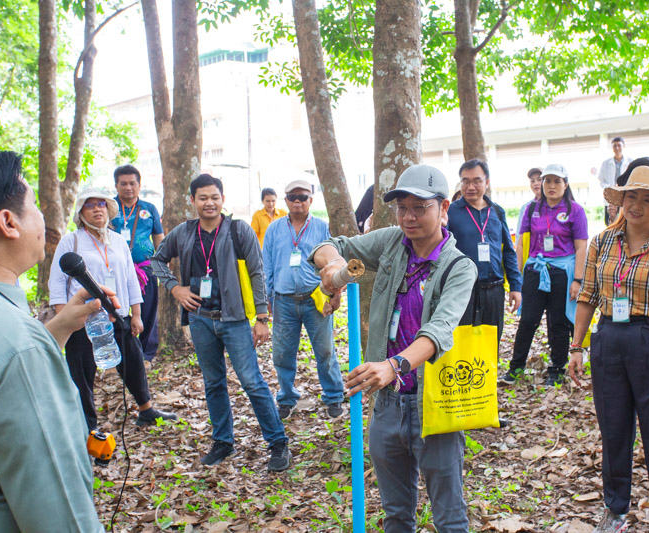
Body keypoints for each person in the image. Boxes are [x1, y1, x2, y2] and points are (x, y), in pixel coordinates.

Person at [309, 164, 478, 533]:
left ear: (444, 208)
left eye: (420, 207)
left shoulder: (460, 267)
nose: (409, 216)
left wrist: (394, 366)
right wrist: (335, 266)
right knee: (396, 515)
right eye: (402, 207)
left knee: (449, 517)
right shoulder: (390, 243)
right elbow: (328, 245)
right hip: (386, 404)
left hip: (434, 403)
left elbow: (438, 331)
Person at [0, 150, 107, 532]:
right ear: (8, 222)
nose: (43, 217)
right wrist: (35, 346)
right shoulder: (20, 347)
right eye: (35, 204)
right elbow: (60, 512)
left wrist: (57, 329)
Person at [568, 166, 649, 533]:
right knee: (614, 430)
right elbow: (588, 295)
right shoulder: (602, 242)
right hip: (608, 338)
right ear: (621, 201)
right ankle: (615, 510)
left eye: (647, 199)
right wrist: (577, 345)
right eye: (631, 196)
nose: (636, 205)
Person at [151, 174, 290, 470]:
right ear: (193, 201)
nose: (209, 203)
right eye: (202, 197)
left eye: (214, 197)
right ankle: (223, 442)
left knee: (252, 381)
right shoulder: (184, 232)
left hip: (234, 320)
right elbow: (157, 260)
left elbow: (256, 271)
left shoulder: (237, 230)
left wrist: (262, 318)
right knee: (213, 383)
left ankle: (278, 443)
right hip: (201, 320)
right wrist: (175, 288)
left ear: (222, 199)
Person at [49, 187, 177, 431]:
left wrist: (136, 314)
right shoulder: (71, 241)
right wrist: (63, 318)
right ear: (81, 212)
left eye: (101, 204)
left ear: (108, 209)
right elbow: (56, 282)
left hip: (118, 315)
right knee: (82, 373)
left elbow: (130, 278)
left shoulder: (117, 240)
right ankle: (89, 427)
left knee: (134, 360)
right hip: (82, 320)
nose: (98, 209)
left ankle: (146, 409)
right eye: (91, 205)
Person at [262, 179, 345, 419]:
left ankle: (333, 396)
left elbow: (334, 263)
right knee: (282, 353)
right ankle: (287, 398)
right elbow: (266, 264)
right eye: (292, 197)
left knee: (325, 351)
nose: (298, 201)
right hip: (283, 300)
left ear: (311, 200)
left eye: (303, 197)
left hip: (315, 298)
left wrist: (334, 295)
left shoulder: (321, 227)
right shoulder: (275, 229)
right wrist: (268, 298)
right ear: (285, 200)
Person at [504, 163, 588, 386]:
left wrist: (578, 280)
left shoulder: (575, 211)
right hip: (535, 269)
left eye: (557, 181)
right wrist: (519, 277)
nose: (551, 186)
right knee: (528, 320)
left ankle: (557, 369)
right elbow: (521, 244)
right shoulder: (532, 209)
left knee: (558, 322)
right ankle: (515, 368)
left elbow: (581, 247)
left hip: (562, 271)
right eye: (547, 181)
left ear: (566, 184)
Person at [446, 159, 522, 344]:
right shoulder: (451, 212)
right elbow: (443, 250)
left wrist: (515, 286)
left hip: (494, 290)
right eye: (465, 181)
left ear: (486, 182)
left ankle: (490, 374)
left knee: (490, 342)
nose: (470, 186)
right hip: (463, 289)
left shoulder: (497, 211)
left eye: (476, 181)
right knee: (463, 342)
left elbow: (508, 251)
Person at [109, 164, 164, 361]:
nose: (128, 187)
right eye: (123, 184)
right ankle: (120, 356)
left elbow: (158, 237)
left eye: (132, 183)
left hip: (145, 269)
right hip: (114, 271)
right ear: (116, 185)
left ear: (139, 185)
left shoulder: (149, 209)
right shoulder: (109, 207)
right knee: (116, 311)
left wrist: (162, 262)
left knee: (148, 311)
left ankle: (146, 356)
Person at [597, 136, 632, 224]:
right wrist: (610, 187)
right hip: (611, 197)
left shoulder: (630, 162)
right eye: (614, 146)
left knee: (625, 222)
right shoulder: (605, 163)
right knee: (609, 222)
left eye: (619, 145)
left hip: (625, 196)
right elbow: (601, 181)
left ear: (623, 146)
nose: (617, 148)